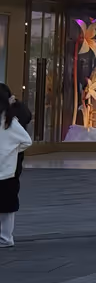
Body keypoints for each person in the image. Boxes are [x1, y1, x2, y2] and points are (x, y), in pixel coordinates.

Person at [0, 83, 32, 249]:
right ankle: (5, 237)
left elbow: (26, 140)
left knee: (7, 204)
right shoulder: (9, 120)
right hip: (8, 169)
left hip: (8, 170)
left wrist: (12, 151)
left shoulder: (10, 119)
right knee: (6, 205)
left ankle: (5, 238)